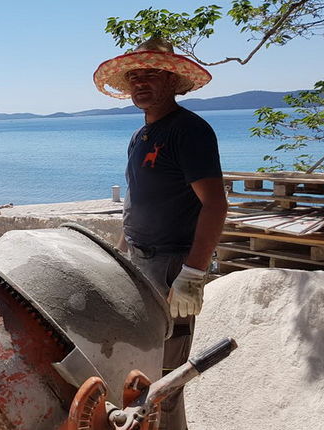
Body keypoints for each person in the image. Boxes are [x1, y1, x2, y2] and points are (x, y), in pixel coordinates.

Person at [93, 37, 228, 430]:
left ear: (173, 81)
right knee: (137, 365)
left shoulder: (190, 131)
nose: (140, 83)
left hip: (172, 265)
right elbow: (136, 202)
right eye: (134, 76)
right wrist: (120, 255)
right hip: (138, 260)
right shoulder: (141, 136)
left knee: (167, 372)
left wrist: (193, 273)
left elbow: (215, 205)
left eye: (152, 74)